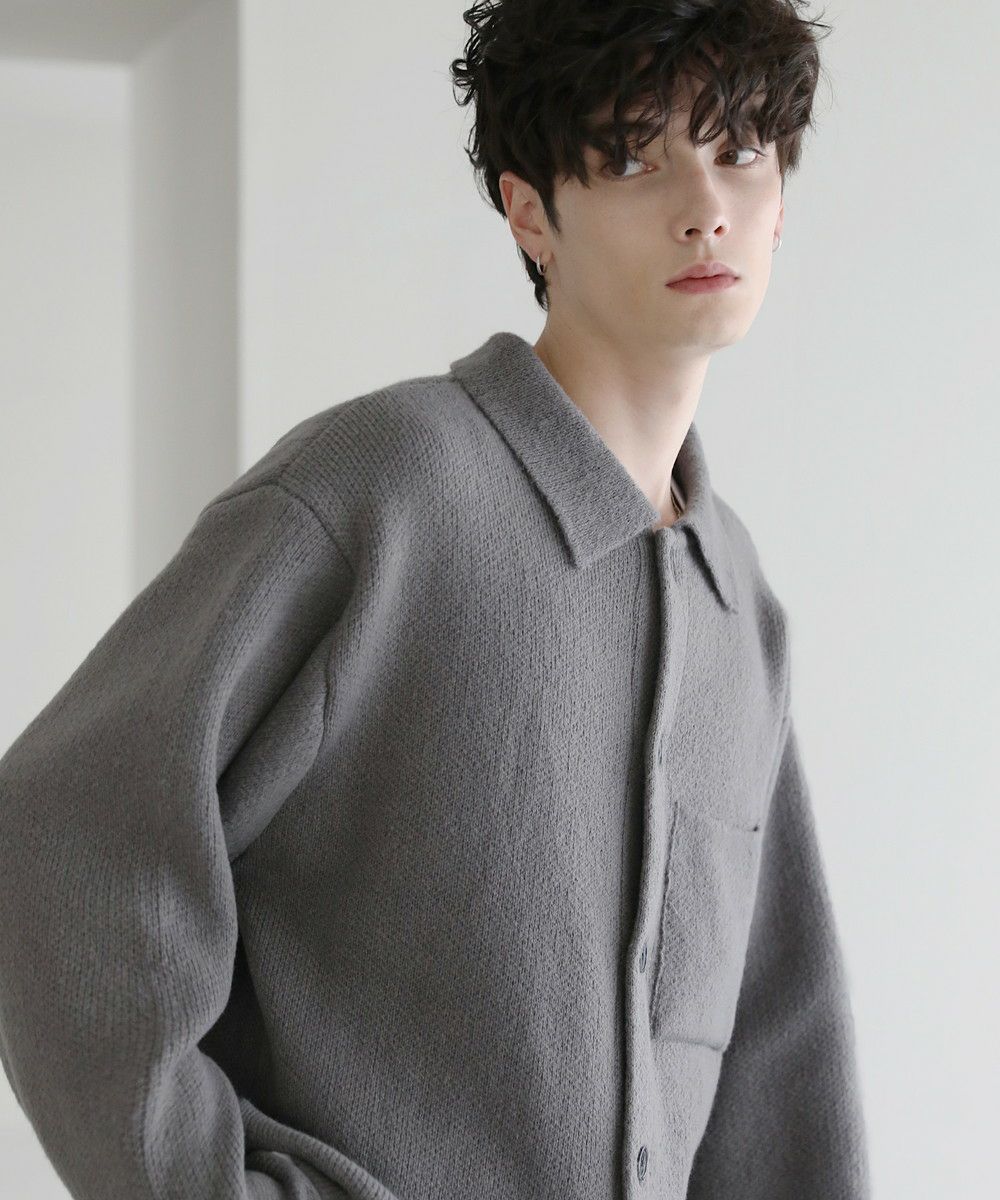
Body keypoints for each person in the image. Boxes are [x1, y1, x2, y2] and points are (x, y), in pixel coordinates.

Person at [0, 2, 871, 1198]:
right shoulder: (386, 489)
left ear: (780, 200)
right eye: (633, 157)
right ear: (531, 213)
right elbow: (60, 839)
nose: (704, 204)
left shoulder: (737, 602)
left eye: (740, 151)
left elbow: (780, 1053)